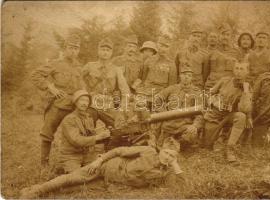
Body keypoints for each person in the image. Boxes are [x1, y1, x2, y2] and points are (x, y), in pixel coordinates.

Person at [20, 138, 184, 198]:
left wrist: (175, 164)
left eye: (172, 156)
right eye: (167, 153)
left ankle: (37, 191)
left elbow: (176, 189)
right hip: (107, 168)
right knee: (72, 178)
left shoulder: (168, 170)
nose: (167, 157)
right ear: (161, 149)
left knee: (73, 189)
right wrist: (99, 161)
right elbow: (118, 150)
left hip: (113, 184)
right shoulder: (147, 151)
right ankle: (35, 191)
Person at [31, 34, 85, 168]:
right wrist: (51, 87)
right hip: (58, 105)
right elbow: (35, 75)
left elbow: (82, 86)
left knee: (75, 135)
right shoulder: (55, 64)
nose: (73, 51)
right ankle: (44, 164)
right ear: (65, 48)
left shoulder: (79, 67)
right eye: (71, 48)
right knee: (47, 134)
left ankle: (70, 162)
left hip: (73, 107)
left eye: (76, 48)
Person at [203, 62, 253, 163]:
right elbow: (208, 94)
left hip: (230, 116)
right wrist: (213, 101)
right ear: (233, 70)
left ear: (247, 72)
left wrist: (245, 91)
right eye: (237, 68)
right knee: (207, 144)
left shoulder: (247, 88)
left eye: (242, 69)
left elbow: (245, 109)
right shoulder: (224, 81)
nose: (238, 72)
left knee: (241, 116)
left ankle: (230, 148)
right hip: (215, 115)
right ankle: (220, 138)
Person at [58, 90, 111, 173]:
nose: (84, 103)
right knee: (77, 178)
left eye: (87, 101)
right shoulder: (69, 119)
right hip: (71, 156)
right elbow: (76, 140)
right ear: (75, 102)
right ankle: (64, 167)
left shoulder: (88, 118)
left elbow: (91, 136)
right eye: (82, 100)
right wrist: (98, 137)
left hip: (87, 155)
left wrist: (103, 134)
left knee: (101, 171)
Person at [82, 38, 130, 127]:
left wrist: (121, 109)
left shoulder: (116, 70)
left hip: (109, 105)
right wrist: (84, 97)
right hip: (92, 104)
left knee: (121, 128)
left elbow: (125, 91)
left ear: (111, 53)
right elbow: (78, 80)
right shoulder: (89, 66)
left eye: (108, 50)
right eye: (103, 50)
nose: (105, 52)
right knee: (86, 124)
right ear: (98, 51)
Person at [155, 65, 203, 149]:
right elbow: (157, 99)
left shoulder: (196, 92)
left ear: (192, 78)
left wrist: (195, 125)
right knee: (160, 145)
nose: (186, 77)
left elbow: (200, 113)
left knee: (191, 134)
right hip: (169, 124)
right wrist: (163, 113)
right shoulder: (172, 88)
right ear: (180, 76)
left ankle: (178, 144)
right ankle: (171, 142)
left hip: (185, 124)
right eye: (184, 74)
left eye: (189, 75)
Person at [136, 34, 177, 108]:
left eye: (166, 46)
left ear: (169, 48)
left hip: (161, 93)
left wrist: (164, 96)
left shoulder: (171, 64)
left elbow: (171, 85)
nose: (163, 49)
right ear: (157, 45)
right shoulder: (149, 60)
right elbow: (142, 79)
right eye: (161, 45)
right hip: (146, 92)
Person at [204, 23, 238, 89]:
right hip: (212, 85)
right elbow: (205, 72)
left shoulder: (236, 52)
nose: (225, 37)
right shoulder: (211, 51)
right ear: (219, 36)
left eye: (227, 35)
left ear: (231, 37)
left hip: (228, 86)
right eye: (223, 34)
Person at [175, 25, 208, 89]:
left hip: (197, 86)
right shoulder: (180, 53)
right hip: (182, 86)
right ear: (189, 37)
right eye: (194, 36)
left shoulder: (204, 55)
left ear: (201, 39)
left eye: (198, 36)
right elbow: (176, 71)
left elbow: (205, 75)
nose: (196, 38)